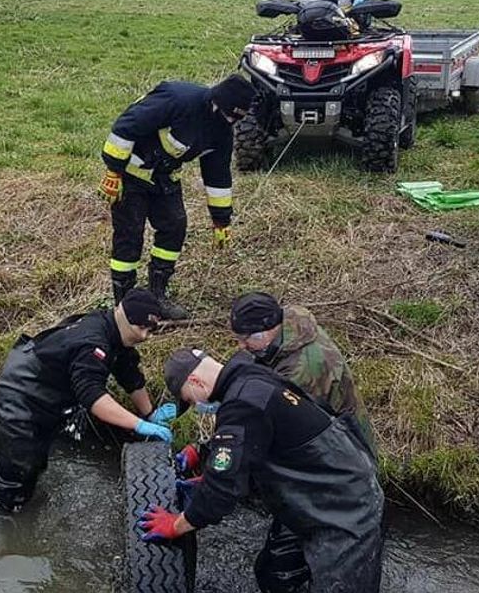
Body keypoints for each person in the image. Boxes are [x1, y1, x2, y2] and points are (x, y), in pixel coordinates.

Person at [139, 348, 383, 593]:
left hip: (347, 505)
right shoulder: (248, 373)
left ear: (194, 381)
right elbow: (255, 436)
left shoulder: (242, 405)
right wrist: (204, 452)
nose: (196, 405)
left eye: (190, 400)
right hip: (312, 485)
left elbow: (220, 491)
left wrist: (176, 525)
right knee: (275, 574)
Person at [0, 289, 175, 513]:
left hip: (42, 395)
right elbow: (92, 396)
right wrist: (138, 425)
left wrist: (149, 413)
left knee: (34, 463)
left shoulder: (114, 330)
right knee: (15, 482)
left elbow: (129, 374)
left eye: (150, 331)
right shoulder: (92, 343)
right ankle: (5, 530)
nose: (144, 336)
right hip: (15, 402)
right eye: (140, 328)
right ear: (124, 316)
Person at [99, 75, 256, 320]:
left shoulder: (222, 132)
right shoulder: (178, 100)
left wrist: (221, 220)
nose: (231, 122)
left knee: (174, 226)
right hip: (130, 174)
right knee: (129, 235)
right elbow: (125, 127)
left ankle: (157, 295)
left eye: (238, 118)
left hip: (164, 177)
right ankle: (125, 305)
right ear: (217, 102)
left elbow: (218, 176)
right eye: (229, 115)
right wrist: (114, 170)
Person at [229, 292, 376, 456]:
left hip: (347, 454)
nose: (241, 346)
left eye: (245, 338)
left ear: (266, 332)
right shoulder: (292, 328)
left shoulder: (300, 372)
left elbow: (278, 424)